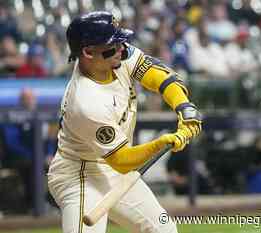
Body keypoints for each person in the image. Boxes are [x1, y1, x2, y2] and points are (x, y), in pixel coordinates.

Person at [47, 11, 202, 233]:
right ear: (88, 52)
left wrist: (183, 107)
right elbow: (120, 160)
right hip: (80, 173)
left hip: (110, 168)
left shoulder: (116, 55)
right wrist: (159, 144)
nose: (121, 48)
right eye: (112, 44)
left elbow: (158, 76)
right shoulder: (85, 101)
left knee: (164, 229)